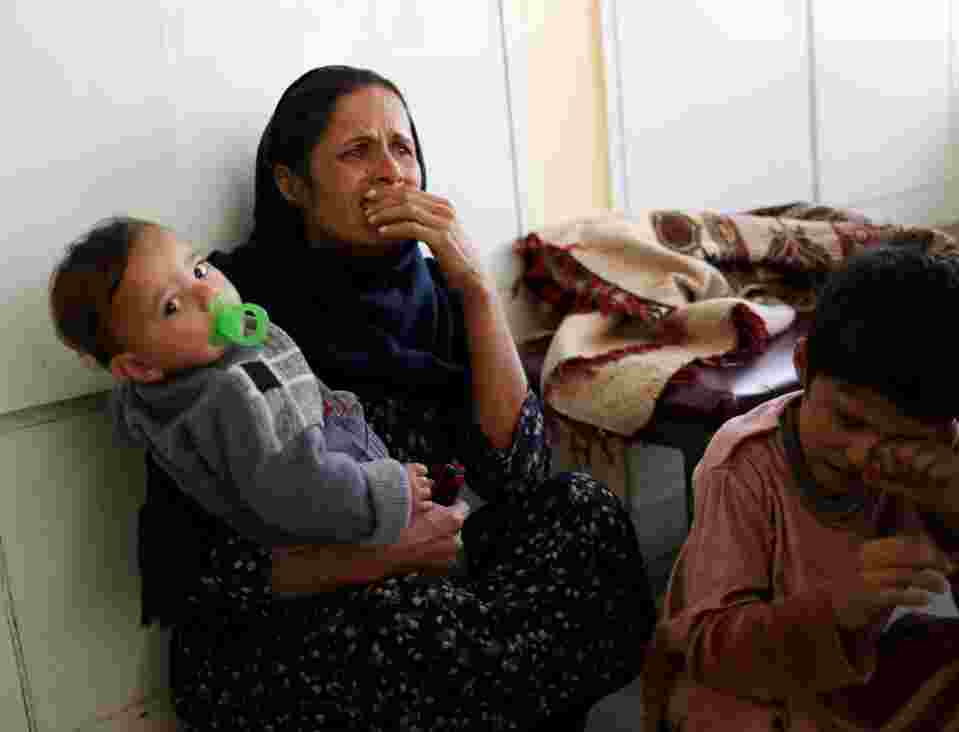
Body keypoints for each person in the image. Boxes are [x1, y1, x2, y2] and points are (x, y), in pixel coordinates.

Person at [134, 65, 656, 731]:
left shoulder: (440, 294)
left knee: (586, 516)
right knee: (427, 622)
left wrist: (474, 286)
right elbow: (196, 574)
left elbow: (521, 473)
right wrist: (386, 557)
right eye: (357, 152)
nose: (391, 173)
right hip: (292, 615)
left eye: (402, 149)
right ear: (291, 184)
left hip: (444, 574)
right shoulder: (227, 313)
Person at [642, 246, 959, 731]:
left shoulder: (940, 452)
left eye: (901, 438)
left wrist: (955, 519)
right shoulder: (743, 466)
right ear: (804, 365)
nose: (863, 453)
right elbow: (707, 650)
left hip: (860, 674)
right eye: (848, 420)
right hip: (745, 680)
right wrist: (836, 610)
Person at [50, 217, 449, 558]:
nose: (207, 293)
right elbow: (300, 489)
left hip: (348, 486)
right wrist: (391, 490)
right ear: (139, 366)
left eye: (200, 269)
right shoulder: (231, 395)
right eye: (171, 306)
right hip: (351, 514)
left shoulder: (196, 368)